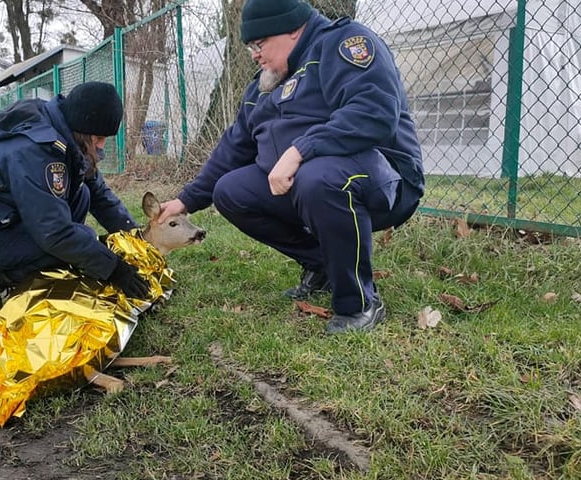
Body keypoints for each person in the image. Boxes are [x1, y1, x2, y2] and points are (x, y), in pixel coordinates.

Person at [157, 0, 425, 334]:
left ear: (293, 29)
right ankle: (323, 265)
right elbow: (233, 148)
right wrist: (185, 201)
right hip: (311, 185)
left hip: (384, 180)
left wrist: (300, 149)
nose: (255, 54)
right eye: (250, 47)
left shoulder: (343, 44)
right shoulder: (263, 86)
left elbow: (374, 112)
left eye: (260, 44)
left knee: (319, 177)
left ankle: (360, 302)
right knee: (230, 191)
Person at [0, 81, 149, 327]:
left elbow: (97, 191)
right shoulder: (36, 150)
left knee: (83, 198)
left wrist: (135, 237)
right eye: (98, 138)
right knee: (72, 242)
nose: (101, 145)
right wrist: (115, 270)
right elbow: (55, 234)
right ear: (83, 129)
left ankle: (25, 269)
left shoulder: (64, 131)